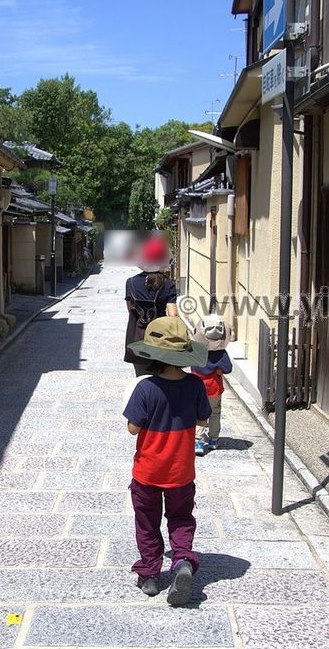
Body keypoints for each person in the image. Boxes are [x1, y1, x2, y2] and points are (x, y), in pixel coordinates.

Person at [123, 316, 211, 606]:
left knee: (147, 522)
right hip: (182, 472)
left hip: (148, 471)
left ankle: (150, 574)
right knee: (181, 518)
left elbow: (133, 427)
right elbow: (202, 419)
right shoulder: (196, 385)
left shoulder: (146, 388)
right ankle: (183, 559)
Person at [124, 235, 178, 376]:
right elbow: (173, 315)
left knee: (141, 377)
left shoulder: (130, 283)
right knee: (161, 376)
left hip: (136, 335)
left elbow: (130, 310)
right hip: (160, 337)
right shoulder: (168, 284)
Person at [190, 314, 233, 456]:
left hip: (197, 386)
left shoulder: (197, 351)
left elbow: (193, 368)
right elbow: (227, 368)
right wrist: (218, 370)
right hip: (214, 387)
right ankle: (214, 439)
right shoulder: (221, 354)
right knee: (215, 413)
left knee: (199, 413)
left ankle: (198, 441)